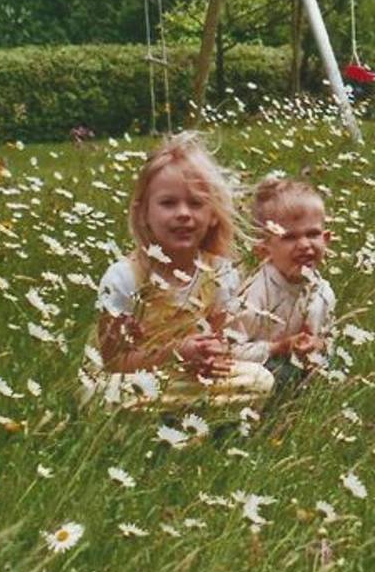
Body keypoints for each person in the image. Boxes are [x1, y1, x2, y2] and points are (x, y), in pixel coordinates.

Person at [89, 132, 273, 408]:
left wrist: (211, 359)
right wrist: (176, 352)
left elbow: (219, 342)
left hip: (187, 380)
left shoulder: (220, 274)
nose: (184, 213)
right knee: (106, 393)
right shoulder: (125, 278)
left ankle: (184, 415)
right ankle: (177, 415)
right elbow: (114, 361)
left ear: (212, 215)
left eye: (196, 203)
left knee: (260, 379)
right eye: (168, 203)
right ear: (143, 214)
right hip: (136, 378)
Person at [232, 176, 335, 387]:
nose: (305, 245)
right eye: (289, 237)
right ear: (263, 250)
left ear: (326, 239)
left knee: (333, 366)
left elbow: (328, 336)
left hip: (300, 368)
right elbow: (231, 351)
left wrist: (319, 344)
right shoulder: (257, 292)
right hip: (261, 371)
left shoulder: (323, 292)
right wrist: (278, 347)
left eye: (313, 234)